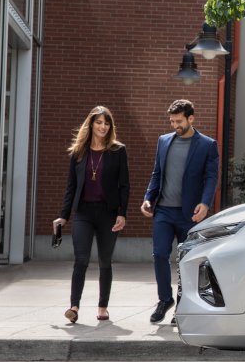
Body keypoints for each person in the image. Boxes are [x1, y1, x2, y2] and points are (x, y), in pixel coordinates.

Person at [141, 100, 219, 324]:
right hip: (164, 210)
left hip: (190, 214)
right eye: (172, 121)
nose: (175, 125)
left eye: (179, 121)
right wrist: (148, 198)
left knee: (187, 261)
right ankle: (165, 299)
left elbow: (212, 177)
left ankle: (183, 303)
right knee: (159, 254)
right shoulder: (164, 141)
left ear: (191, 119)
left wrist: (205, 203)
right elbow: (157, 173)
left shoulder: (207, 145)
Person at [55, 106, 130, 323]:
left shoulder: (118, 150)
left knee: (105, 261)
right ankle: (74, 306)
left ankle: (103, 307)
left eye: (106, 123)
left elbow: (124, 185)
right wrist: (63, 216)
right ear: (91, 124)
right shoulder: (79, 151)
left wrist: (122, 213)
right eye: (99, 122)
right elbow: (71, 186)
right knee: (81, 260)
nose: (103, 126)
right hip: (83, 213)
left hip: (108, 213)